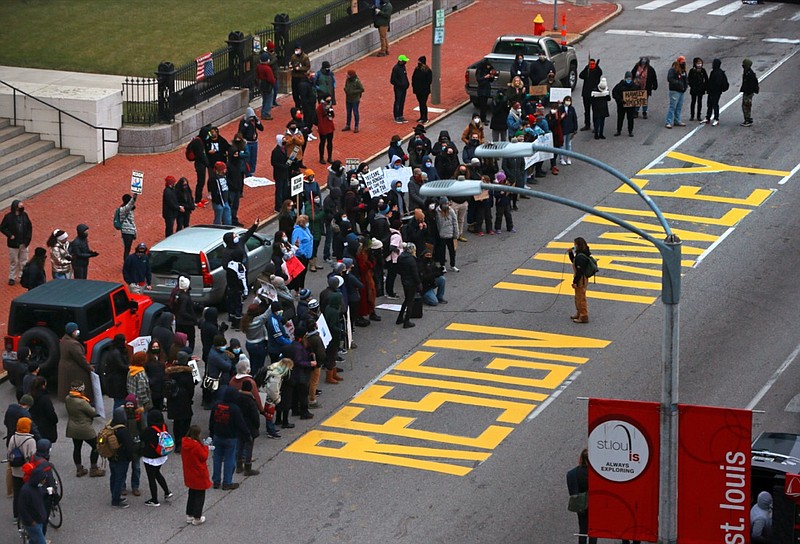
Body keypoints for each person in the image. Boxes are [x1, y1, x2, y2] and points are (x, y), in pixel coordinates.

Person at [209, 386, 249, 490]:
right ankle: (227, 482)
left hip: (217, 435)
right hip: (230, 437)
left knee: (217, 459)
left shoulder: (216, 405)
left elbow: (211, 421)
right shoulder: (235, 409)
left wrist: (211, 433)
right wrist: (247, 435)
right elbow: (241, 424)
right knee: (229, 459)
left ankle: (216, 481)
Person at [65, 380, 105, 477]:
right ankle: (94, 469)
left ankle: (79, 469)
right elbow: (93, 413)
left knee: (77, 448)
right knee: (96, 446)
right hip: (84, 428)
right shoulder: (82, 402)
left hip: (73, 427)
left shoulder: (68, 398)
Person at [140, 409, 173, 507]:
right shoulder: (164, 426)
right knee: (157, 473)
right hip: (162, 455)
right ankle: (167, 492)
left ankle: (154, 500)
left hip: (151, 457)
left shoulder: (149, 430)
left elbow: (142, 438)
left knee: (151, 478)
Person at [181, 425, 211, 525]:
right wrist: (206, 447)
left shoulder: (185, 443)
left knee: (192, 494)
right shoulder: (196, 446)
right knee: (200, 496)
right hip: (198, 474)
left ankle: (189, 515)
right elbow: (204, 457)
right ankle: (197, 518)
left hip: (189, 473)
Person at [7, 416, 36, 521]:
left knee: (17, 493)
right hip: (26, 471)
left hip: (15, 471)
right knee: (29, 493)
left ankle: (16, 515)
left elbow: (9, 452)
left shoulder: (13, 438)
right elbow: (32, 456)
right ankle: (28, 514)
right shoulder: (30, 440)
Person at [56, 322, 94, 401]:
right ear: (72, 332)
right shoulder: (73, 344)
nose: (77, 332)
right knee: (80, 388)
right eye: (75, 330)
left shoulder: (64, 340)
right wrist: (90, 368)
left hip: (65, 368)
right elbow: (80, 358)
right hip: (75, 370)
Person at [566, 449, 595, 544]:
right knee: (593, 529)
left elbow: (572, 491)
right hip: (593, 503)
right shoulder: (595, 474)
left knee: (582, 528)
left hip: (581, 504)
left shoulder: (572, 473)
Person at [109, 406, 136, 508]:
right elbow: (129, 446)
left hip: (111, 457)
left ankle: (114, 496)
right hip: (121, 459)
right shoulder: (123, 430)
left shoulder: (111, 426)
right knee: (119, 479)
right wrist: (131, 457)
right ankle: (116, 500)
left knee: (113, 477)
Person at [1, 199, 33, 286]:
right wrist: (10, 235)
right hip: (13, 244)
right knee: (14, 260)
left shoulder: (24, 215)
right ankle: (12, 277)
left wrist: (28, 238)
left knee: (24, 260)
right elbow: (2, 227)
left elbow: (29, 227)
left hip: (24, 242)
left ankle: (22, 276)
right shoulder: (8, 217)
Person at [17, 462, 50, 543]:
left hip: (39, 519)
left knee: (34, 540)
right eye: (44, 479)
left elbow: (42, 497)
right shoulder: (26, 491)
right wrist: (31, 522)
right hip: (33, 522)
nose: (45, 481)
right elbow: (22, 509)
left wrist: (48, 493)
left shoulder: (38, 487)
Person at [395, 242, 421, 328]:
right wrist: (419, 283)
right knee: (410, 301)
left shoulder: (401, 257)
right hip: (411, 282)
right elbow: (415, 274)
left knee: (406, 299)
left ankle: (400, 317)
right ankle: (407, 321)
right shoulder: (411, 260)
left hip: (404, 280)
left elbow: (398, 269)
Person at [103, 334, 130, 410]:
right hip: (118, 383)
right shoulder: (116, 353)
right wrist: (131, 367)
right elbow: (122, 366)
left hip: (114, 382)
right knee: (119, 402)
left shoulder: (113, 351)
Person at [568, 237, 592, 323]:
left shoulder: (581, 257)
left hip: (580, 279)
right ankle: (579, 313)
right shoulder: (580, 254)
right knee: (578, 297)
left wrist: (575, 282)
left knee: (581, 298)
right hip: (580, 278)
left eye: (575, 244)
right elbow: (574, 261)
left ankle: (583, 316)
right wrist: (570, 253)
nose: (574, 246)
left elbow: (579, 271)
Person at [29, 377, 57, 444]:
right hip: (45, 425)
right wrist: (55, 420)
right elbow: (50, 412)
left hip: (34, 422)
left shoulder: (30, 396)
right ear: (43, 385)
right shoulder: (45, 398)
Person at [578, 58, 603, 131]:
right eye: (590, 64)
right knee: (587, 111)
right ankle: (587, 124)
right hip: (586, 94)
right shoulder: (587, 70)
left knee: (595, 111)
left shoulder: (597, 70)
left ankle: (596, 126)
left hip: (594, 94)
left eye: (593, 64)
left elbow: (600, 73)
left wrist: (597, 66)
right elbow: (580, 76)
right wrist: (586, 68)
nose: (591, 65)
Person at [128, 351, 153, 421]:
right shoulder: (141, 374)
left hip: (133, 401)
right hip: (141, 405)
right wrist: (146, 402)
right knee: (143, 422)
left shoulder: (131, 370)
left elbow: (128, 386)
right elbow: (142, 391)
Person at [665, 55, 688, 129]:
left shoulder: (683, 70)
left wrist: (685, 86)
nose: (683, 64)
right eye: (682, 62)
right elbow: (670, 79)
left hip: (681, 91)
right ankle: (668, 122)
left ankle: (677, 120)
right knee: (673, 107)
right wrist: (678, 83)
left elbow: (685, 79)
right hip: (674, 91)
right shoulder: (673, 70)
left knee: (679, 107)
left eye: (684, 62)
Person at [704, 58, 728, 127]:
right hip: (712, 92)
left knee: (715, 104)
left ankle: (716, 119)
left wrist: (711, 89)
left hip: (716, 92)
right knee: (710, 104)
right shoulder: (714, 72)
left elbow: (716, 83)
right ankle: (708, 117)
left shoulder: (719, 73)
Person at [612, 72, 638, 137]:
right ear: (625, 78)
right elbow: (614, 93)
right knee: (620, 118)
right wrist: (620, 100)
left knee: (630, 119)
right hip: (621, 105)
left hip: (630, 106)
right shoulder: (620, 85)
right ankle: (619, 130)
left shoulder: (635, 86)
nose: (628, 79)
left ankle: (630, 131)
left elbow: (638, 95)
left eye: (630, 78)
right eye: (627, 78)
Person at [238, 107, 263, 176]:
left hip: (254, 142)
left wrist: (258, 122)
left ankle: (252, 171)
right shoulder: (243, 121)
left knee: (253, 158)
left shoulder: (254, 121)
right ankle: (247, 173)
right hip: (247, 143)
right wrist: (246, 124)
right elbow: (240, 133)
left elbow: (261, 128)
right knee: (247, 158)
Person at [209, 161, 231, 226]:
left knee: (228, 220)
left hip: (226, 201)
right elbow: (213, 191)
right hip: (218, 203)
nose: (226, 170)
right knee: (218, 221)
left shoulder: (225, 176)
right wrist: (217, 201)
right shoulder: (213, 179)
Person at [289, 43, 311, 108]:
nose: (297, 51)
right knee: (295, 93)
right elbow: (291, 64)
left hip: (302, 77)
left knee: (302, 92)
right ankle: (297, 105)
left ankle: (302, 105)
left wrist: (300, 68)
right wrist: (291, 66)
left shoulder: (305, 57)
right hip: (295, 77)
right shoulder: (293, 57)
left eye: (298, 49)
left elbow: (307, 67)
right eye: (296, 49)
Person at [412, 56, 433, 124]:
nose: (418, 63)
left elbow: (429, 80)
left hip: (424, 91)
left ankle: (425, 117)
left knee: (423, 103)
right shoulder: (417, 69)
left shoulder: (427, 70)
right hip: (418, 90)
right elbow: (413, 78)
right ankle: (421, 117)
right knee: (420, 103)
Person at [256, 51, 276, 121]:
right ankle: (266, 113)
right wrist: (274, 82)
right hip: (267, 85)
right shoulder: (267, 68)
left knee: (264, 99)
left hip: (261, 84)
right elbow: (271, 79)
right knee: (269, 99)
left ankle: (263, 112)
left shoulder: (259, 67)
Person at [116, 193, 138, 257]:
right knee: (127, 249)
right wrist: (135, 196)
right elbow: (131, 203)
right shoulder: (125, 209)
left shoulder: (124, 209)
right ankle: (126, 263)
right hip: (127, 231)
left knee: (127, 248)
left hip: (128, 231)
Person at [687, 57, 708, 122]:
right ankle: (692, 115)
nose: (699, 64)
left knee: (700, 102)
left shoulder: (703, 70)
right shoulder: (692, 71)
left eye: (700, 63)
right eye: (698, 63)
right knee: (693, 102)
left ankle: (699, 115)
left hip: (701, 89)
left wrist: (705, 87)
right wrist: (692, 86)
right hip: (694, 89)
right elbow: (689, 79)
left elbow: (706, 79)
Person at [559, 96, 578, 165]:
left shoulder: (572, 109)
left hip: (570, 129)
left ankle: (568, 157)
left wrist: (575, 128)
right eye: (567, 100)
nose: (568, 102)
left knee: (569, 144)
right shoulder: (560, 109)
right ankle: (561, 158)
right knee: (562, 144)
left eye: (569, 100)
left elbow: (574, 119)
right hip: (563, 129)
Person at [316, 95, 336, 164]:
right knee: (322, 142)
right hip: (323, 126)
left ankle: (329, 157)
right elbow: (319, 117)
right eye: (328, 100)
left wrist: (331, 112)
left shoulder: (329, 105)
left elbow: (333, 115)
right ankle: (321, 158)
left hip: (330, 125)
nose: (329, 101)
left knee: (330, 142)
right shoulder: (320, 107)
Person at [391, 55, 410, 123]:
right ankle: (396, 116)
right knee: (398, 102)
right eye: (404, 61)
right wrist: (400, 84)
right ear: (401, 61)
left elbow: (405, 76)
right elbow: (392, 80)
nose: (405, 62)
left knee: (402, 101)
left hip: (404, 88)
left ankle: (401, 115)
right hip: (398, 88)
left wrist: (407, 83)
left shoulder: (403, 67)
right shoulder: (396, 68)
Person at [740, 58, 759, 127]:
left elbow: (751, 84)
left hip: (748, 92)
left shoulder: (750, 74)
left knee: (746, 106)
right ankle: (747, 118)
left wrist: (748, 92)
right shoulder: (747, 72)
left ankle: (747, 119)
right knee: (746, 105)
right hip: (747, 91)